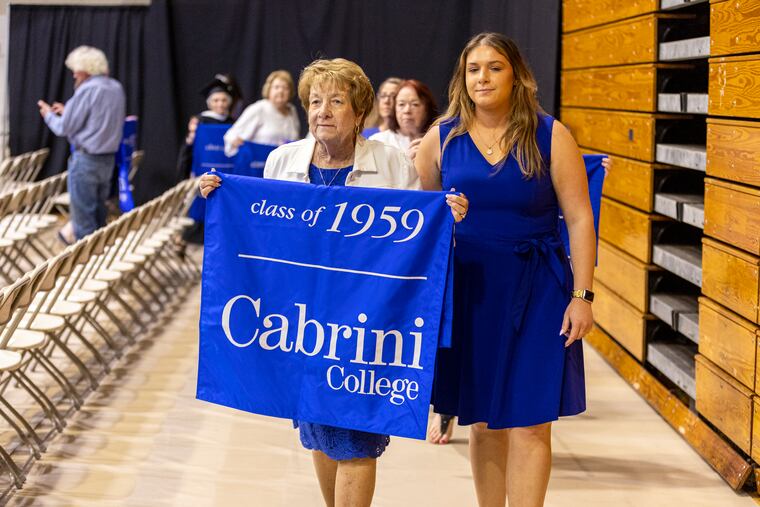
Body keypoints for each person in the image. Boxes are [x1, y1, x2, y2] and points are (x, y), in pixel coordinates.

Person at [200, 57, 468, 507]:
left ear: (359, 111)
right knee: (320, 434)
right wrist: (221, 196)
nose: (322, 110)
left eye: (336, 101)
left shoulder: (392, 164)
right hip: (302, 328)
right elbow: (265, 242)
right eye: (316, 101)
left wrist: (446, 215)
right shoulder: (282, 161)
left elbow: (416, 240)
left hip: (366, 325)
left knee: (356, 438)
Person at [415, 32, 594, 507]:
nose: (483, 77)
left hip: (538, 289)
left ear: (516, 74)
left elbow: (579, 217)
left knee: (532, 420)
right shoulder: (440, 137)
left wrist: (583, 295)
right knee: (482, 419)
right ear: (462, 77)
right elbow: (421, 216)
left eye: (494, 67)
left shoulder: (550, 134)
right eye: (474, 68)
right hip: (470, 290)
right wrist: (443, 212)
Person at [38, 45, 125, 243]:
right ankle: (99, 263)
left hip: (86, 161)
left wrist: (48, 115)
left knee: (84, 221)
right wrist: (69, 110)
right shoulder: (115, 87)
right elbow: (98, 119)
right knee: (99, 216)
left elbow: (64, 128)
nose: (74, 74)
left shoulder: (87, 89)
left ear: (84, 69)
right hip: (107, 161)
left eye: (75, 70)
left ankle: (86, 270)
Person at [223, 70, 300, 157]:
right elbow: (231, 136)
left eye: (285, 88)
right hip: (259, 164)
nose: (280, 91)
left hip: (285, 164)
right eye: (276, 87)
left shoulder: (292, 111)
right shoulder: (259, 109)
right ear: (269, 89)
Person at [176, 75, 236, 182]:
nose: (220, 104)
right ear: (209, 103)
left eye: (224, 100)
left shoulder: (234, 122)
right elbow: (188, 147)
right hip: (202, 172)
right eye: (216, 100)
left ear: (229, 102)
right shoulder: (199, 121)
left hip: (227, 170)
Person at [369, 79, 438, 162]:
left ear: (427, 109)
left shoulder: (438, 140)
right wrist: (406, 162)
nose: (407, 111)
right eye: (401, 104)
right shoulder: (378, 142)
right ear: (394, 109)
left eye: (415, 104)